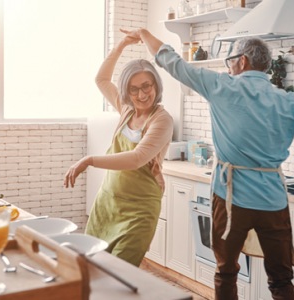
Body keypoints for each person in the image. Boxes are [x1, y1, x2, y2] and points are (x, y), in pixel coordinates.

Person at [123, 28, 294, 299]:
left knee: (226, 272)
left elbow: (172, 62)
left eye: (230, 61)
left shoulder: (221, 86)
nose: (229, 68)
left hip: (229, 200)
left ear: (242, 61)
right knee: (281, 280)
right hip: (273, 202)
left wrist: (144, 33)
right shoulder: (289, 101)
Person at [63, 31, 173, 267]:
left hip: (138, 210)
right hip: (107, 204)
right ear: (126, 91)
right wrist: (121, 44)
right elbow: (101, 80)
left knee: (118, 273)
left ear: (156, 84)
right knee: (90, 267)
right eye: (134, 89)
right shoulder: (127, 109)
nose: (142, 94)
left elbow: (137, 158)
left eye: (147, 86)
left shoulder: (162, 120)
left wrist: (89, 160)